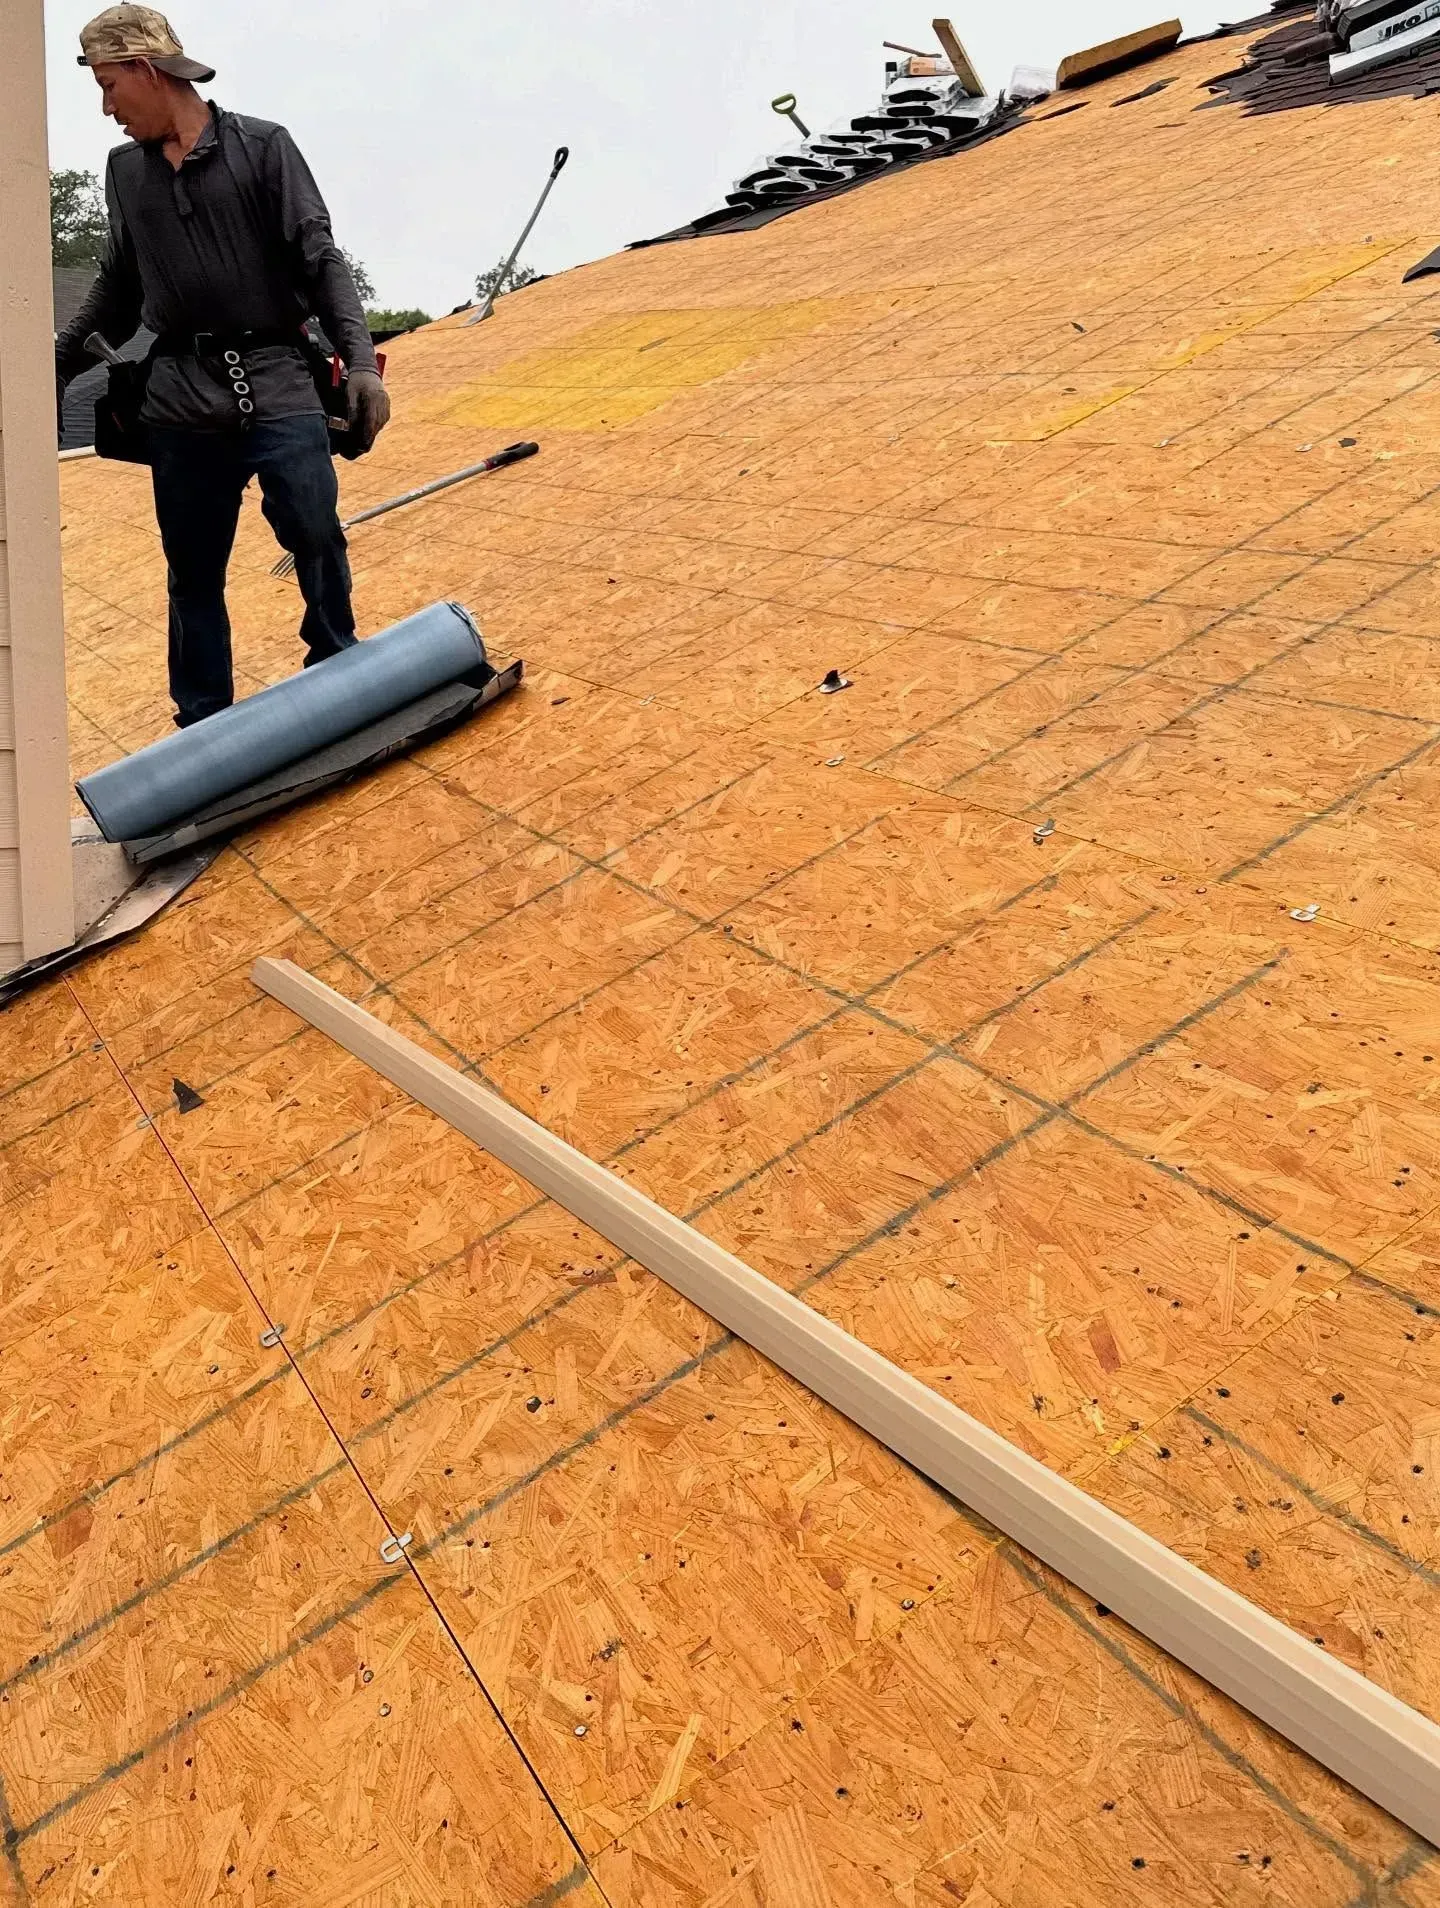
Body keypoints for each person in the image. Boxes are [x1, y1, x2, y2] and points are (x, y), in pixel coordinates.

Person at [54, 5, 392, 727]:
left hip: (276, 374)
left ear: (148, 71)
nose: (107, 107)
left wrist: (359, 363)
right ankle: (203, 721)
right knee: (193, 570)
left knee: (313, 527)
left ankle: (338, 668)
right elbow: (119, 286)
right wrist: (50, 371)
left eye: (111, 86)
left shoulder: (264, 148)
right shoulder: (125, 173)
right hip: (180, 395)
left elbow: (319, 256)